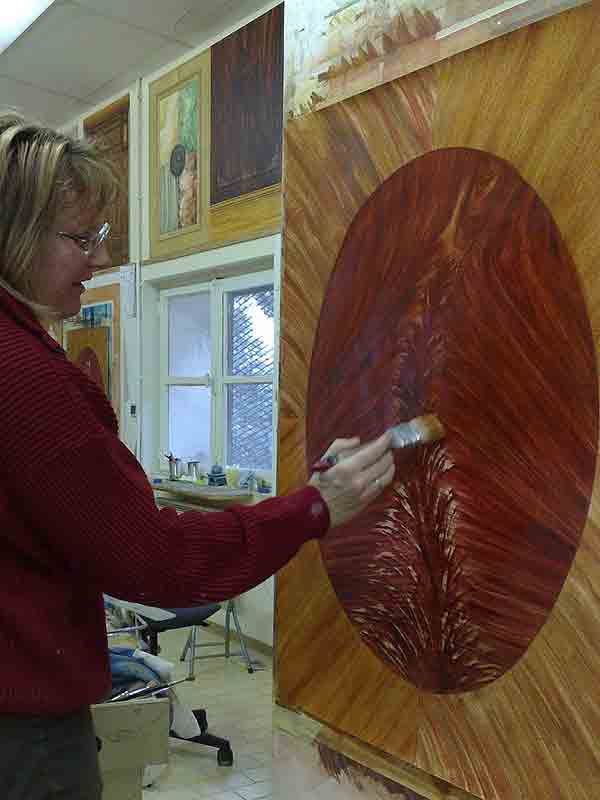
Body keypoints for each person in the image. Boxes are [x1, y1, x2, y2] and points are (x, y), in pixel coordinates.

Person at [0, 112, 395, 799]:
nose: (99, 259)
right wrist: (314, 507)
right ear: (12, 235)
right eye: (81, 238)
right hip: (20, 737)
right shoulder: (27, 378)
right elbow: (157, 558)